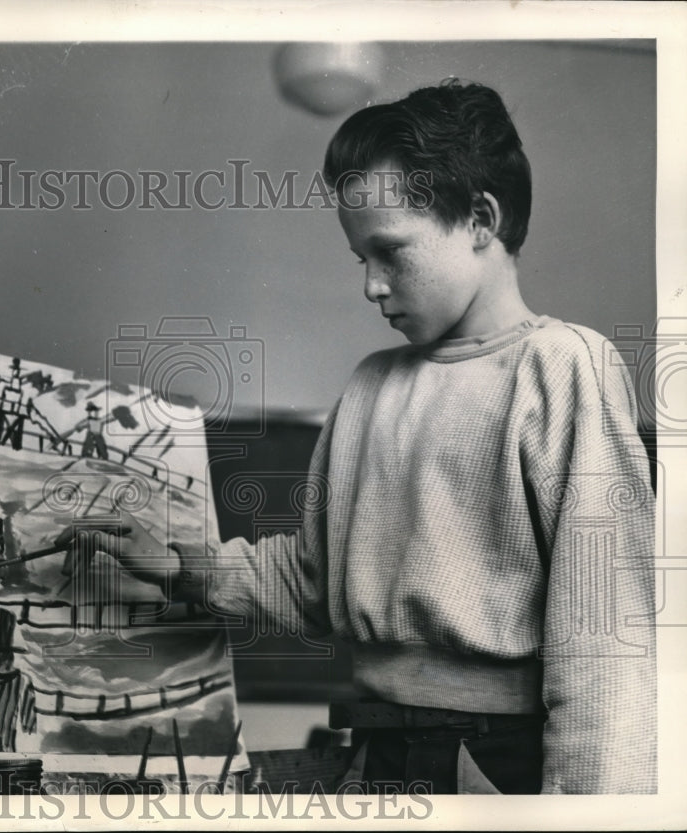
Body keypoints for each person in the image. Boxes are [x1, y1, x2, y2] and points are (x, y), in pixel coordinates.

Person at [78, 80, 656, 794]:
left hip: (503, 766)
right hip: (373, 755)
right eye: (361, 260)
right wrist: (181, 563)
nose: (371, 286)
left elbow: (606, 650)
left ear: (480, 219)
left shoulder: (566, 367)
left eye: (391, 252)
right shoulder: (368, 386)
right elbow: (311, 581)